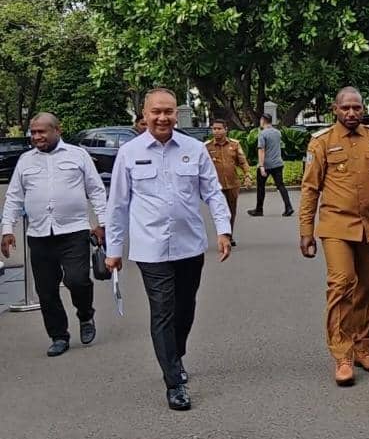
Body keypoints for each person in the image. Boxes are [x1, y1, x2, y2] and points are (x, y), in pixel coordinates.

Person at [105, 89, 233, 411]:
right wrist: (114, 249)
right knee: (162, 311)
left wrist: (224, 229)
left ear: (177, 114)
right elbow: (117, 204)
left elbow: (214, 193)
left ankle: (175, 356)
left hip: (190, 245)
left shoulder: (193, 149)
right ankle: (174, 382)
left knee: (185, 308)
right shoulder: (130, 153)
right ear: (144, 115)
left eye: (169, 112)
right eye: (156, 112)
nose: (163, 118)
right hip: (151, 249)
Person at [299, 87, 369, 386]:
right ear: (334, 109)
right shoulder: (322, 142)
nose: (351, 113)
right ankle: (342, 354)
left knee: (368, 287)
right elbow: (310, 188)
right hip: (336, 226)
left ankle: (363, 346)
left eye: (356, 108)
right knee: (341, 283)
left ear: (363, 110)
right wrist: (306, 230)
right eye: (345, 108)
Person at [2, 113, 107, 357]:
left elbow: (96, 190)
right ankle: (59, 336)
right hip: (39, 234)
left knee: (77, 280)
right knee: (46, 290)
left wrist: (103, 223)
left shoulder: (77, 155)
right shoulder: (25, 161)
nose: (37, 136)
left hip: (74, 231)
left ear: (57, 130)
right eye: (33, 132)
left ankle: (85, 315)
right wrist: (7, 229)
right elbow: (14, 197)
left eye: (42, 132)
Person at [205, 118, 250, 246]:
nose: (216, 131)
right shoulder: (207, 147)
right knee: (220, 211)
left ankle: (229, 235)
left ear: (226, 130)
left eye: (219, 129)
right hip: (215, 186)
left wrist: (247, 175)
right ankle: (223, 235)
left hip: (232, 184)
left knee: (231, 211)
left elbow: (242, 161)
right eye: (214, 129)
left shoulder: (234, 145)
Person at [247, 114, 293, 217]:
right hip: (278, 163)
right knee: (281, 185)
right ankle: (288, 207)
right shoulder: (278, 132)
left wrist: (261, 166)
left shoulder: (262, 134)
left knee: (260, 187)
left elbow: (261, 150)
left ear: (263, 120)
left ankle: (259, 210)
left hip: (266, 164)